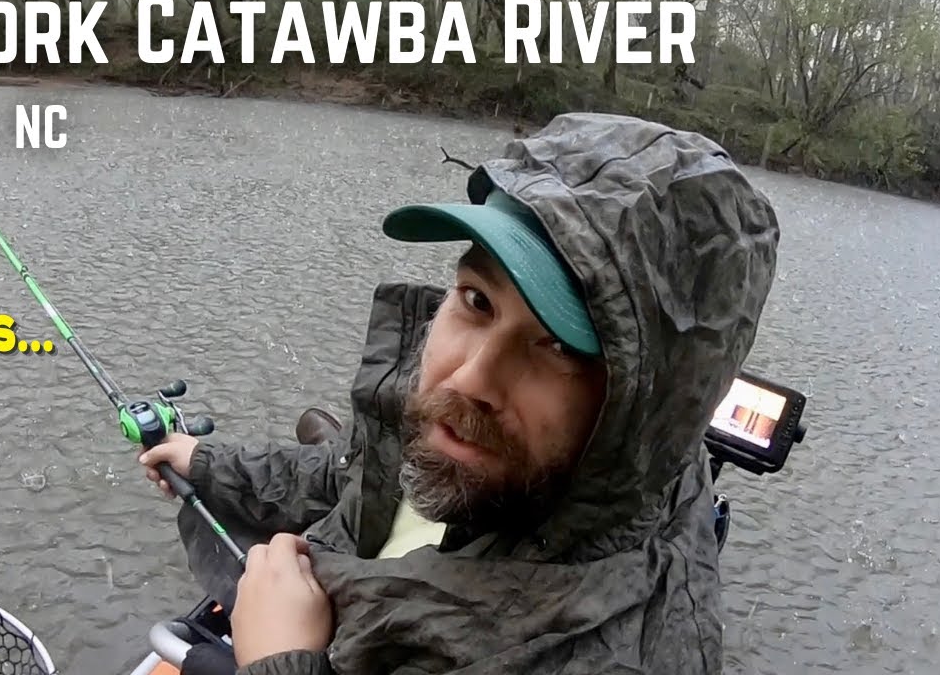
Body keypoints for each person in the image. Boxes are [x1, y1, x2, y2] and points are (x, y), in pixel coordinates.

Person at [139, 112, 780, 674]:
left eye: (557, 345)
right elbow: (356, 476)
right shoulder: (484, 446)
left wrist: (281, 663)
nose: (468, 377)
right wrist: (208, 463)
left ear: (639, 413)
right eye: (477, 301)